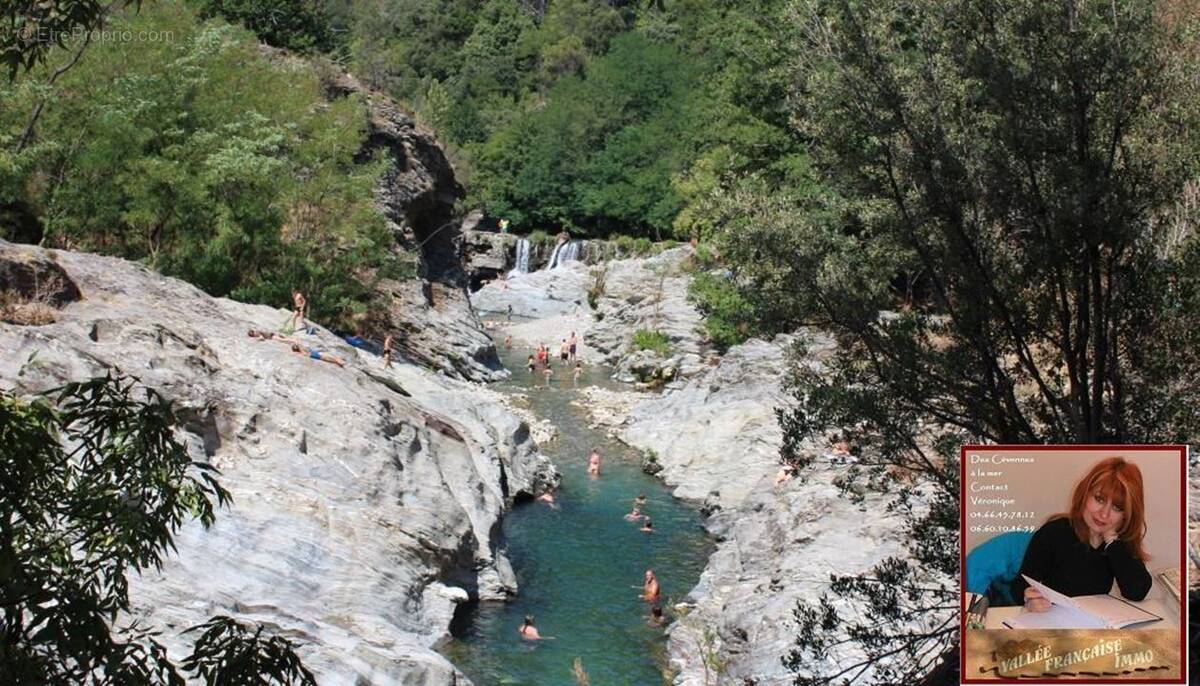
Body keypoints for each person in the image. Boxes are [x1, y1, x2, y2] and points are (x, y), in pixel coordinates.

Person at [1013, 457, 1152, 611]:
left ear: (1127, 515)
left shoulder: (1118, 543)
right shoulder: (1054, 532)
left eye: (1117, 508)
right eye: (1099, 499)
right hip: (1053, 619)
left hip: (1094, 624)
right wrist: (1028, 598)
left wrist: (1112, 541)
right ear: (1084, 494)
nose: (1104, 514)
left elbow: (1137, 591)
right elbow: (1019, 586)